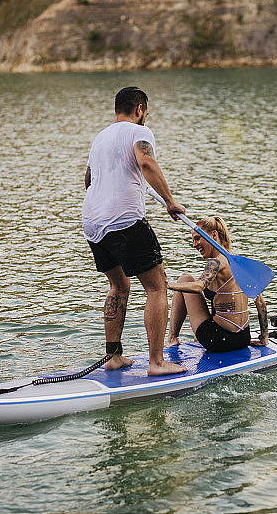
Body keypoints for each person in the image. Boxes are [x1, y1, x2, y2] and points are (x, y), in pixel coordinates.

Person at [82, 86, 187, 376]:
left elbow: (88, 179)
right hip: (125, 220)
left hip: (92, 223)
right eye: (146, 113)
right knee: (157, 287)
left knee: (119, 286)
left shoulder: (100, 138)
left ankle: (113, 356)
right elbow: (146, 161)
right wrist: (169, 201)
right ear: (139, 109)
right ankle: (156, 362)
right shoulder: (140, 132)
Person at [167, 217, 269, 352]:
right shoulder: (240, 264)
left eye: (197, 238)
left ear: (214, 235)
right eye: (193, 240)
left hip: (220, 340)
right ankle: (189, 338)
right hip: (243, 338)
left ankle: (172, 338)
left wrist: (166, 285)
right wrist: (264, 337)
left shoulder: (215, 262)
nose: (194, 245)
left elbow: (198, 287)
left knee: (185, 279)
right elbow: (260, 303)